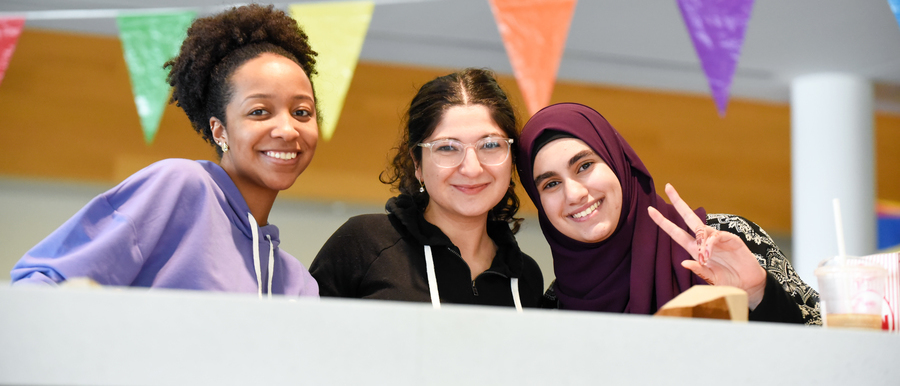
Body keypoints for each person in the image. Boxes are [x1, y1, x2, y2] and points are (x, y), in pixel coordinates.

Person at [11, 4, 319, 298]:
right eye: (259, 112)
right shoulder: (183, 186)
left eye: (302, 112)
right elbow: (40, 284)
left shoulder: (298, 285)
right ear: (220, 129)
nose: (288, 129)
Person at [517, 102, 820, 324]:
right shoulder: (555, 313)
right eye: (551, 183)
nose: (574, 194)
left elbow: (829, 360)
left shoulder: (727, 241)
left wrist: (759, 293)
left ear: (619, 164)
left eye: (584, 166)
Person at [310, 68, 543, 309]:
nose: (472, 168)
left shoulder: (526, 278)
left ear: (512, 157)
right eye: (447, 148)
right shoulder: (364, 244)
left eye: (491, 144)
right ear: (417, 163)